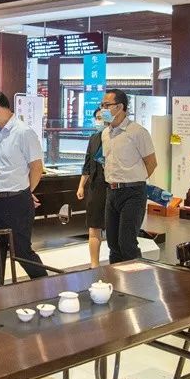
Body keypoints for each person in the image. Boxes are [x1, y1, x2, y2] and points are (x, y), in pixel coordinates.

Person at [0, 90, 48, 286]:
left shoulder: (23, 132)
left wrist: (26, 192)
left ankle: (46, 286)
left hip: (16, 202)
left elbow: (37, 167)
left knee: (21, 251)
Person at [101, 89, 157, 263]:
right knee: (112, 243)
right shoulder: (105, 133)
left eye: (107, 105)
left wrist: (135, 180)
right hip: (111, 192)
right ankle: (116, 278)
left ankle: (138, 277)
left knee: (127, 243)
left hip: (133, 192)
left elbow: (151, 163)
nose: (103, 109)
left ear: (120, 107)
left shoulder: (137, 132)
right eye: (102, 105)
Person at [77, 107, 108, 268]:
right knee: (94, 226)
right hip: (96, 187)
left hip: (112, 186)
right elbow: (87, 164)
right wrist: (81, 186)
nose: (98, 121)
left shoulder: (116, 137)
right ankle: (94, 265)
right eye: (97, 118)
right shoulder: (94, 138)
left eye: (101, 118)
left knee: (113, 227)